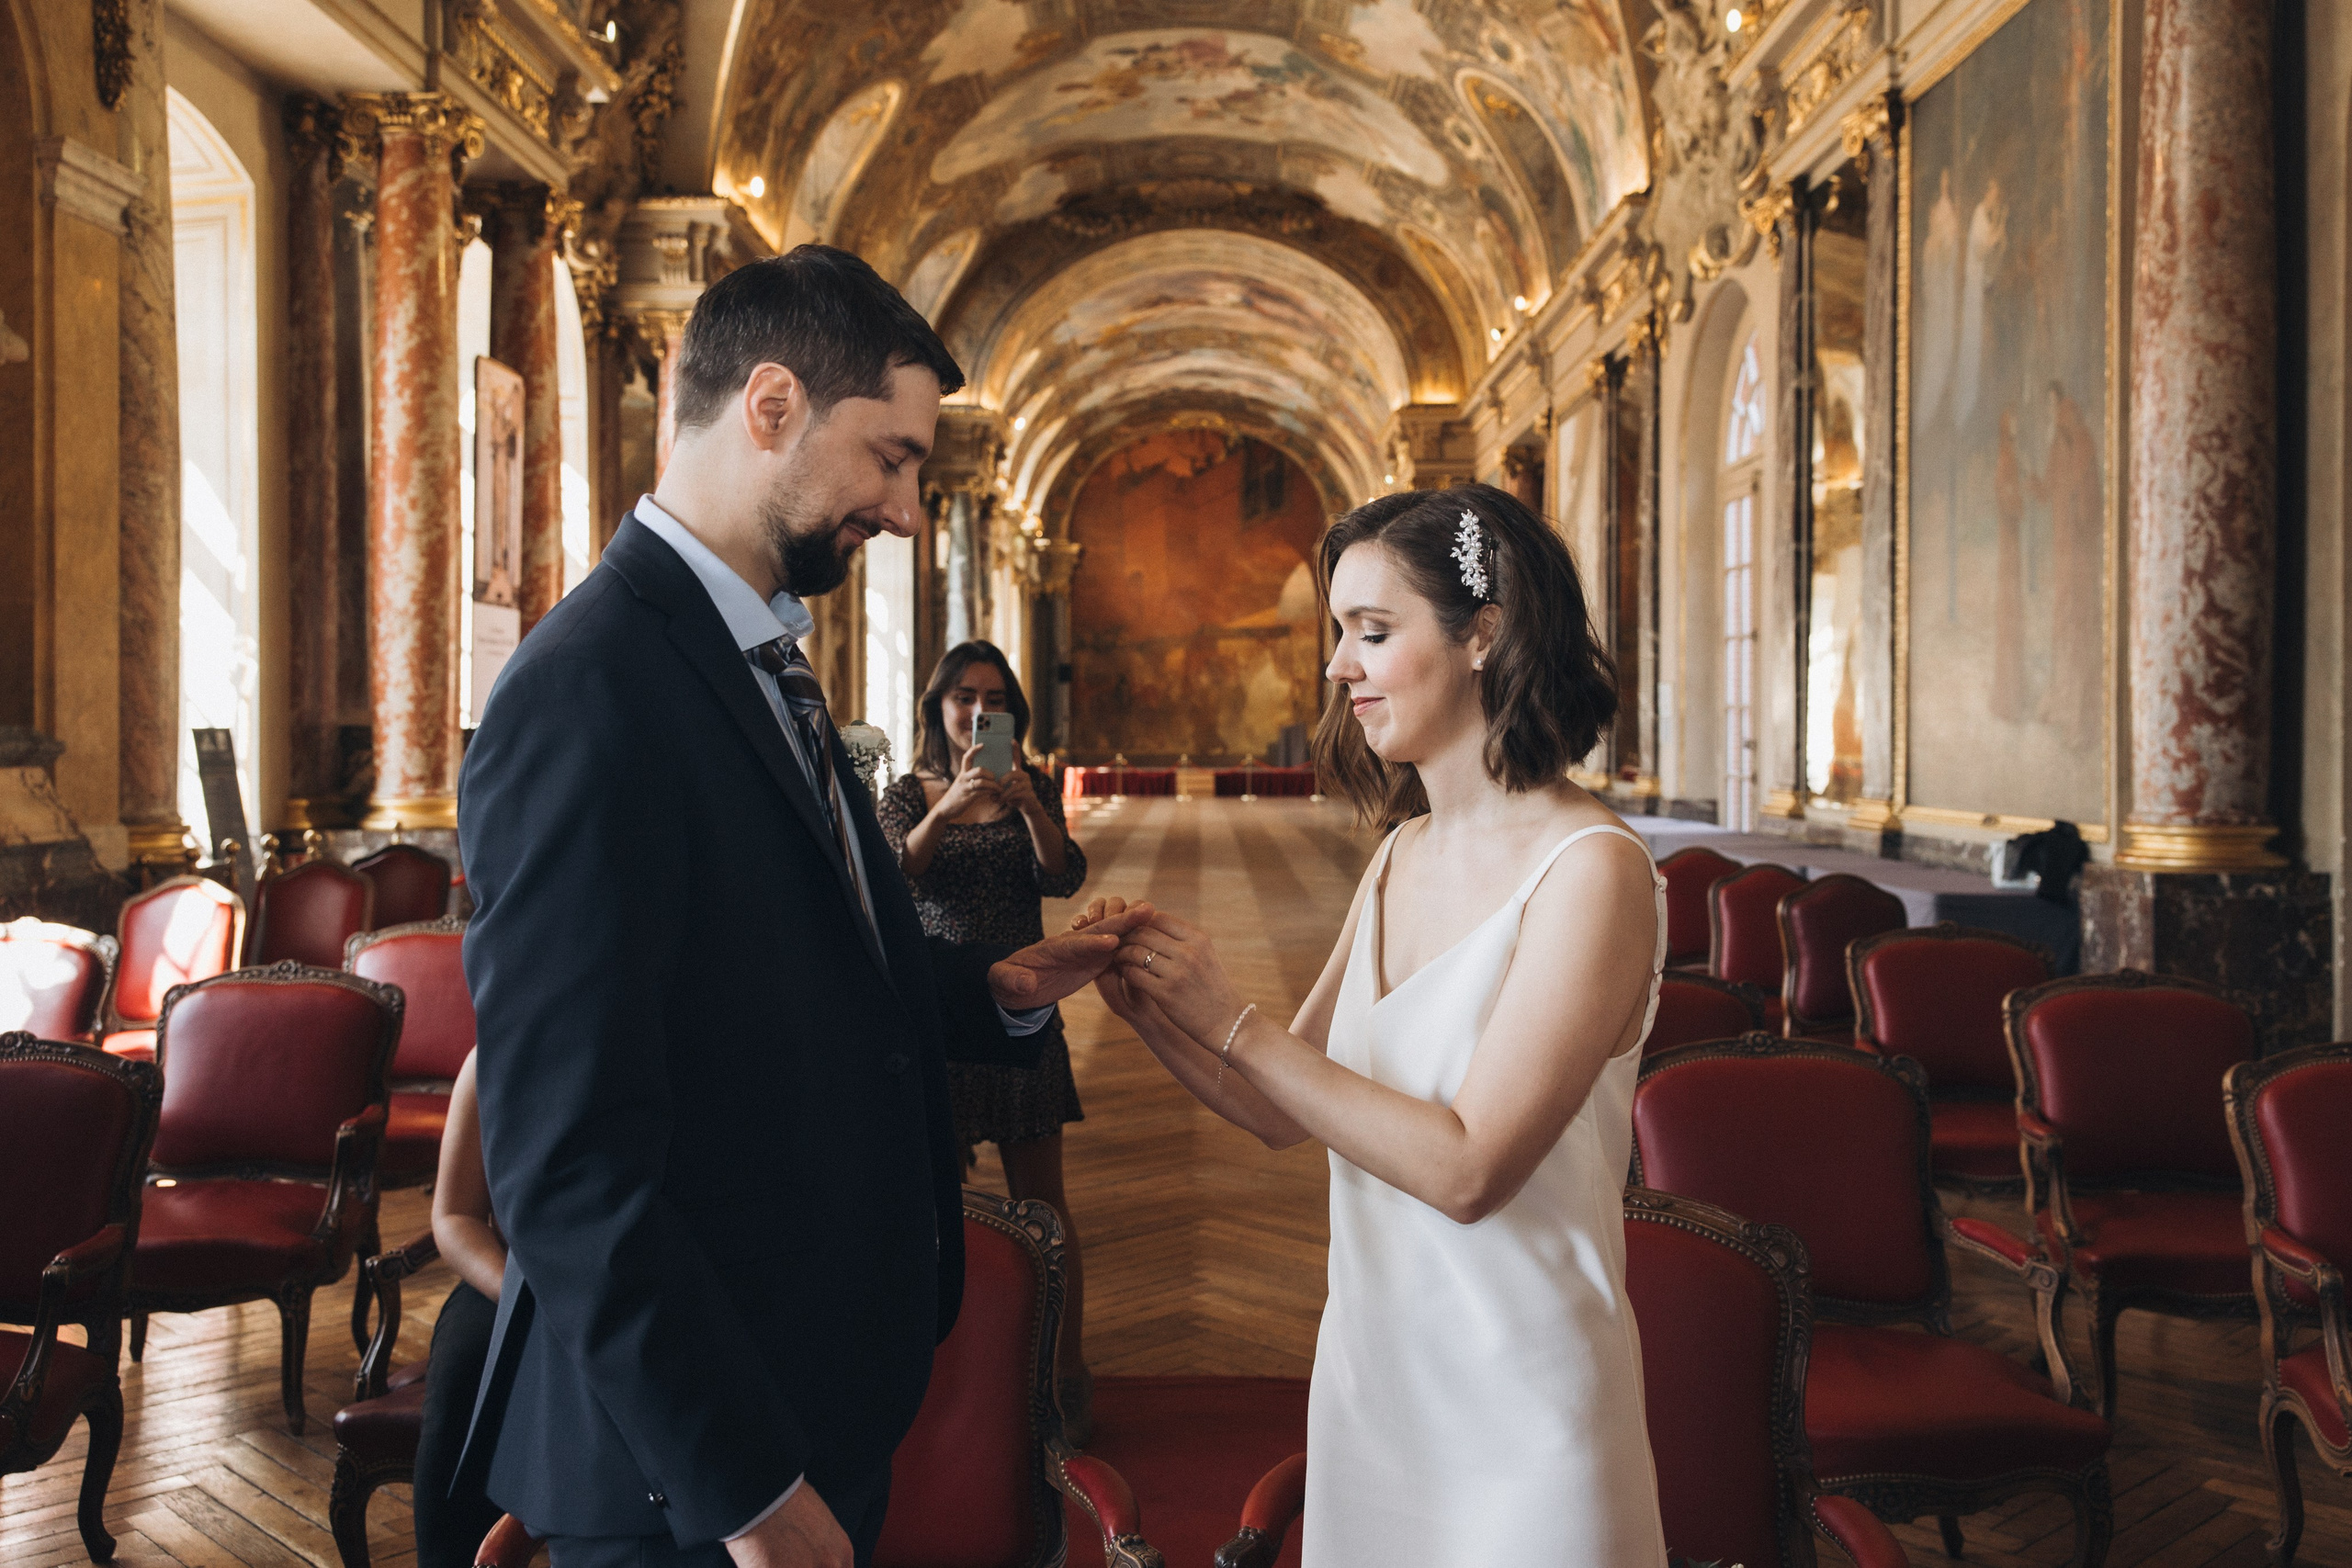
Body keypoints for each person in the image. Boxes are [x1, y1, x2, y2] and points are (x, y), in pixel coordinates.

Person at [455, 243, 1151, 1568]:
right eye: (889, 457)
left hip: (809, 1388)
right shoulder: (588, 691)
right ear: (770, 405)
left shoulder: (758, 650)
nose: (901, 509)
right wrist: (745, 1489)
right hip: (690, 1466)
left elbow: (782, 973)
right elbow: (565, 1162)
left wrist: (991, 989)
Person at [1081, 484, 1670, 1563]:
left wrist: (1235, 1017)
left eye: (1372, 631)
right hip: (1371, 1382)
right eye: (1337, 632)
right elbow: (1276, 1109)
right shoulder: (1401, 853)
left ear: (1483, 633)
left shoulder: (1592, 873)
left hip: (1524, 1401)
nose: (1335, 665)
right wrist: (1154, 1004)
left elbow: (1467, 1171)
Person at [876, 643, 1093, 1438]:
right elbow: (895, 875)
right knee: (930, 1206)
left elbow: (1061, 876)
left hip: (1026, 1004)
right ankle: (947, 1383)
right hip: (936, 1008)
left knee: (1045, 1204)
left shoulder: (1028, 784)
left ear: (1010, 712)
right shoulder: (907, 792)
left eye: (992, 698)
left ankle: (1065, 1374)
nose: (975, 710)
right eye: (962, 695)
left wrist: (1029, 804)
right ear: (937, 704)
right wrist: (950, 801)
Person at [412, 1052, 506, 1568]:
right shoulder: (490, 1056)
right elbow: (454, 1215)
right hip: (510, 1283)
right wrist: (521, 1298)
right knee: (468, 1371)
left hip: (650, 1284)